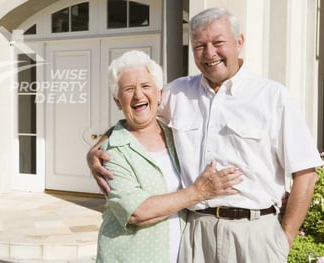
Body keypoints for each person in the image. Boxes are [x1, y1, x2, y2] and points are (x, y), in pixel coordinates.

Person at [88, 7, 324, 263]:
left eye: (218, 42)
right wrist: (99, 146)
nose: (209, 53)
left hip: (255, 234)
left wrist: (284, 239)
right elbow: (139, 111)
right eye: (200, 45)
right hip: (196, 234)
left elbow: (306, 174)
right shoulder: (177, 94)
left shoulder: (273, 97)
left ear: (239, 42)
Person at [95, 50, 242, 263]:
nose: (138, 95)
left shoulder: (176, 136)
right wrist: (198, 192)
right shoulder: (112, 151)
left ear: (159, 93)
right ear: (117, 101)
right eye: (128, 89)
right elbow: (138, 212)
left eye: (145, 86)